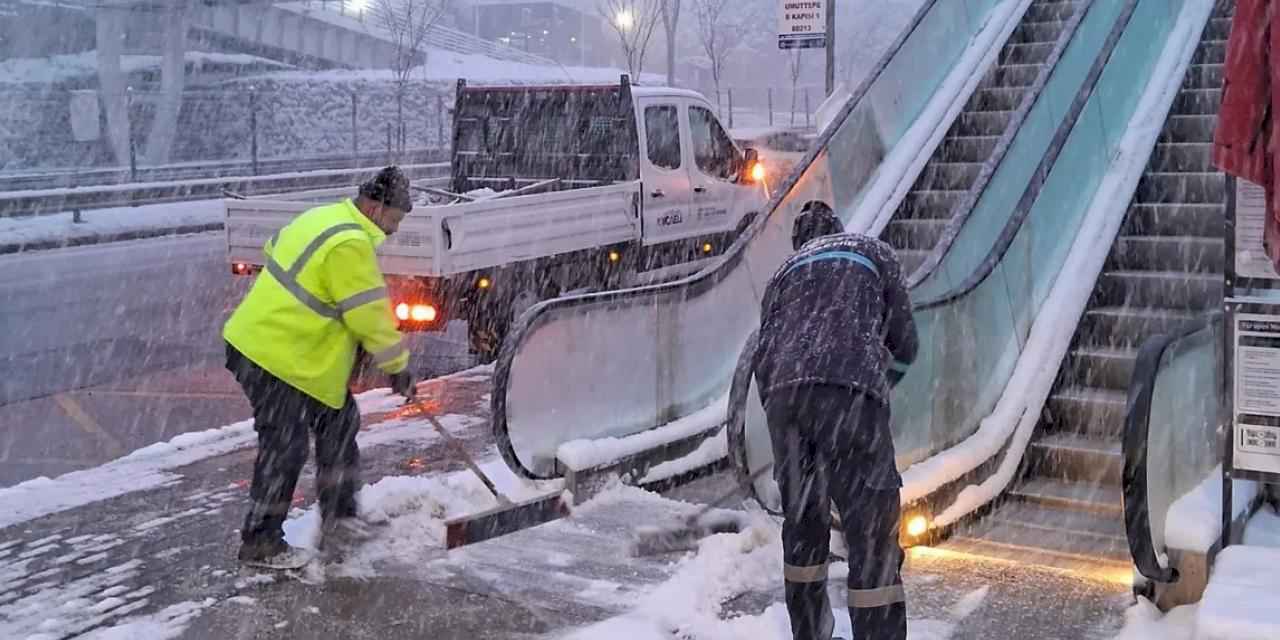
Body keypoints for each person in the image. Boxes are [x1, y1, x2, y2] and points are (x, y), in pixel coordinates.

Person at [223, 166, 419, 569]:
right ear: (376, 207)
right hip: (271, 357)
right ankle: (260, 542)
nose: (395, 230)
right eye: (395, 220)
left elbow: (274, 249)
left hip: (292, 356)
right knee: (287, 444)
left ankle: (341, 519)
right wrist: (397, 366)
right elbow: (369, 316)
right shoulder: (349, 242)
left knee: (339, 423)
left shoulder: (323, 217)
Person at [752, 205, 918, 640]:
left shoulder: (784, 274)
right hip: (851, 396)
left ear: (799, 243)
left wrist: (787, 422)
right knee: (871, 538)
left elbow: (763, 360)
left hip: (785, 401)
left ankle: (810, 634)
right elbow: (905, 344)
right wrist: (874, 387)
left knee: (804, 531)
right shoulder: (873, 252)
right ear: (838, 231)